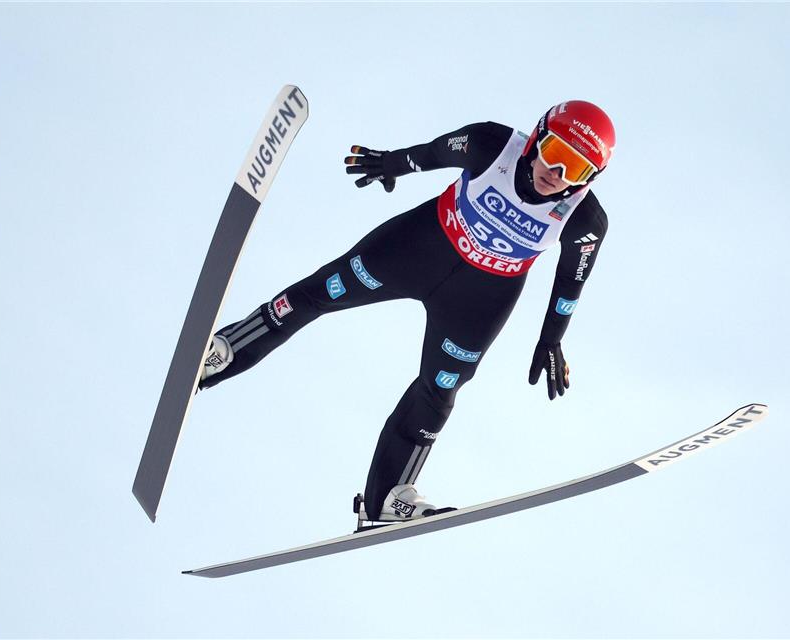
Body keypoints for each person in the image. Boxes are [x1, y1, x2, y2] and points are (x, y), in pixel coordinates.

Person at [198, 100, 616, 526]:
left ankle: (387, 497)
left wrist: (551, 339)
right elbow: (432, 153)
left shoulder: (584, 219)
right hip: (417, 249)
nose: (557, 173)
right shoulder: (491, 144)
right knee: (318, 293)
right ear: (536, 138)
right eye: (556, 153)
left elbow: (571, 283)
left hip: (480, 298)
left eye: (576, 169)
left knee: (440, 390)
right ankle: (224, 352)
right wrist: (390, 164)